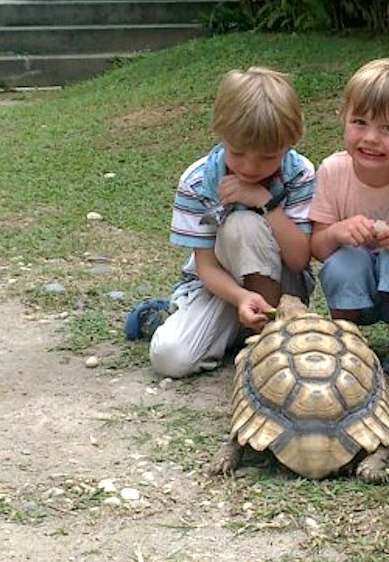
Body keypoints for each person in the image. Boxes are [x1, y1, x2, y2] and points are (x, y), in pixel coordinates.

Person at [127, 67, 316, 379]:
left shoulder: (299, 174)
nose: (250, 167)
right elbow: (206, 266)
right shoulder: (199, 180)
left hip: (285, 287)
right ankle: (164, 318)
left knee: (244, 224)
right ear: (220, 134)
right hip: (224, 289)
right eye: (238, 153)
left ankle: (265, 334)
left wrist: (263, 201)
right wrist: (241, 297)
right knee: (170, 359)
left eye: (268, 157)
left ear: (289, 143)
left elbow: (298, 259)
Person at [310, 58, 389, 376]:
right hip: (354, 284)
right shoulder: (332, 171)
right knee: (342, 261)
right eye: (359, 122)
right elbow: (318, 247)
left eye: (388, 128)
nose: (370, 138)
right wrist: (338, 232)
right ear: (344, 119)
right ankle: (345, 335)